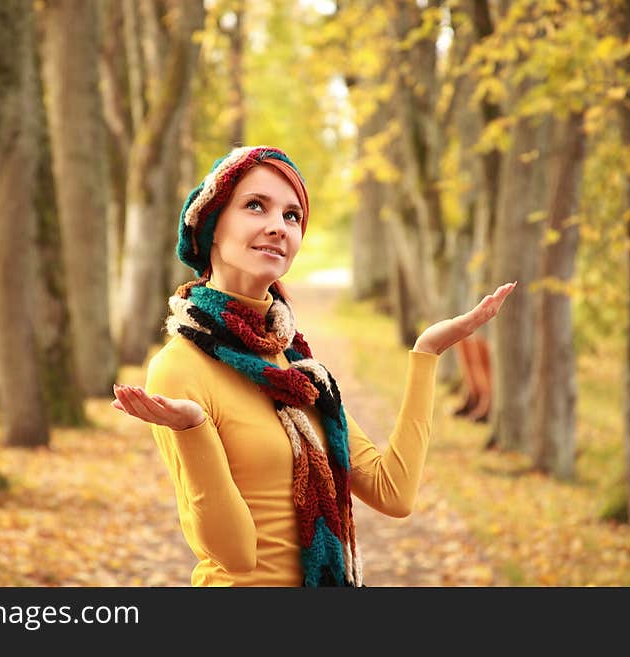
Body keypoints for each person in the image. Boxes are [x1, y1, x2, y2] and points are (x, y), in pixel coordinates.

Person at [111, 145, 515, 587]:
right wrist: (193, 431)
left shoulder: (298, 367)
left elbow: (393, 491)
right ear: (210, 227)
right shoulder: (180, 367)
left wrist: (427, 354)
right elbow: (234, 555)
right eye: (255, 206)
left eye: (291, 216)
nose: (277, 227)